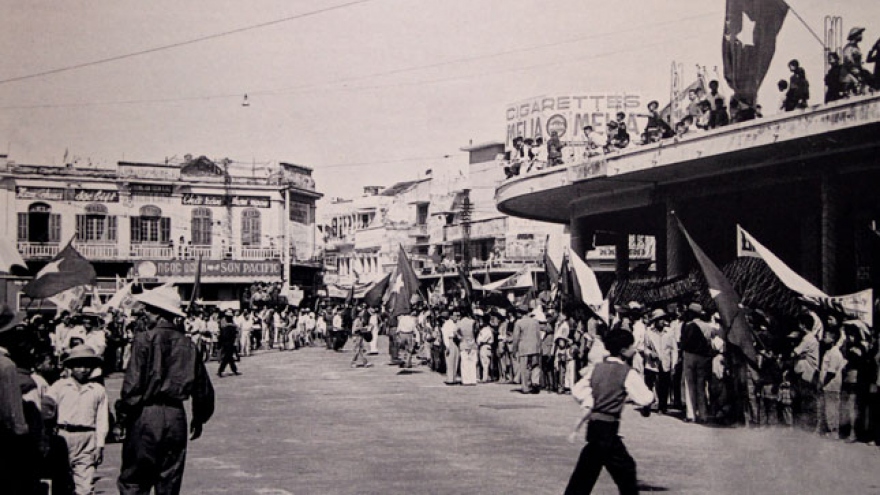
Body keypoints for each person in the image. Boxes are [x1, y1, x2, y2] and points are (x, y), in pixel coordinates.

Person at [117, 285, 215, 495]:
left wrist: (122, 417)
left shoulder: (144, 340)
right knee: (169, 480)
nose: (146, 313)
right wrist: (199, 418)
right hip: (176, 417)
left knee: (134, 479)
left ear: (160, 314)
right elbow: (203, 389)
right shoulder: (188, 345)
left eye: (150, 309)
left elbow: (132, 387)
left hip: (146, 414)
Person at [565, 329, 655, 495]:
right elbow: (645, 398)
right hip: (608, 428)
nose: (634, 349)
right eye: (631, 346)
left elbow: (578, 390)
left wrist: (593, 399)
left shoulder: (597, 369)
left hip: (594, 427)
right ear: (623, 351)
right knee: (626, 470)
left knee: (586, 471)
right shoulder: (626, 372)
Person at [48, 346, 109, 495]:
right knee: (61, 482)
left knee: (85, 486)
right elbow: (48, 410)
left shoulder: (97, 390)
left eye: (87, 366)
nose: (83, 370)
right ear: (70, 367)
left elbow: (102, 419)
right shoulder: (59, 386)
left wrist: (99, 445)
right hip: (63, 436)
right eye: (78, 365)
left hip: (87, 437)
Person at [511, 305, 542, 394]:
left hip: (524, 348)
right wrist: (539, 347)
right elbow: (538, 336)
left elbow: (516, 338)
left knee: (524, 368)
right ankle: (535, 382)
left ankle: (526, 387)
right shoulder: (535, 322)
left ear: (520, 313)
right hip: (534, 347)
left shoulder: (519, 323)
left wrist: (514, 350)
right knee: (535, 366)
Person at [217, 310, 241, 377]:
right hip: (227, 342)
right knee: (227, 357)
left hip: (229, 342)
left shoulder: (228, 323)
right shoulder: (226, 324)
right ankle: (220, 370)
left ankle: (234, 370)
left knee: (230, 357)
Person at [442, 308, 461, 385]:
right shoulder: (447, 324)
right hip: (450, 341)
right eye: (456, 315)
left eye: (458, 315)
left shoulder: (455, 323)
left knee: (455, 360)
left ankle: (453, 378)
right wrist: (447, 346)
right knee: (450, 361)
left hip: (455, 342)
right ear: (451, 316)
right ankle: (450, 379)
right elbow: (445, 336)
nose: (457, 317)